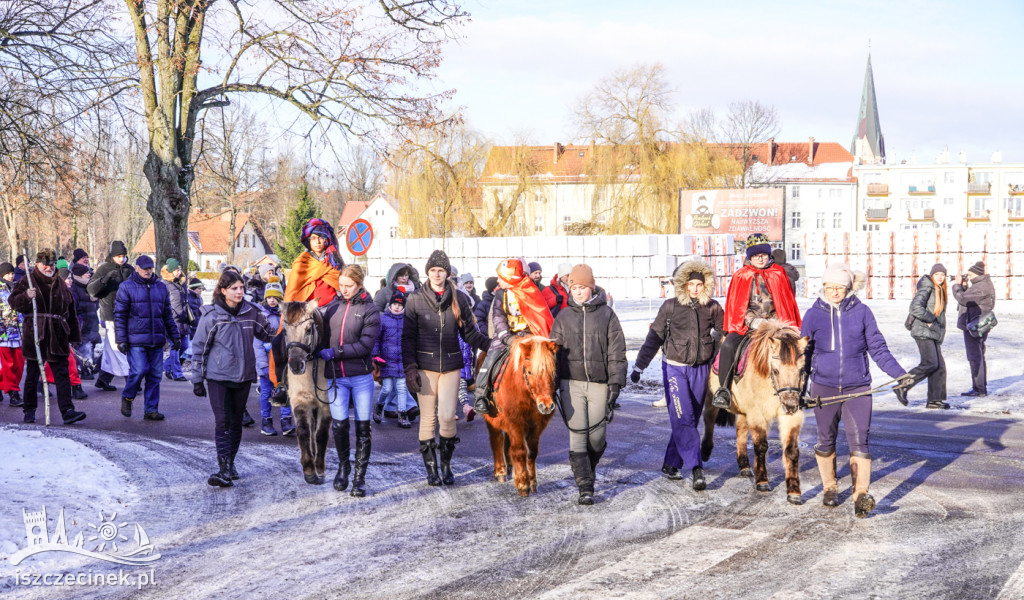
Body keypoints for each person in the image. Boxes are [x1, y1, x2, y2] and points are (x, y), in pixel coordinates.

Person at [801, 264, 912, 517]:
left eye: (839, 287)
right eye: (830, 287)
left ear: (848, 287)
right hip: (823, 387)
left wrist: (899, 374)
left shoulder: (862, 312)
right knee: (825, 439)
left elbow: (878, 348)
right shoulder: (812, 315)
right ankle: (830, 487)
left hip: (858, 387)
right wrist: (800, 390)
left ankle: (860, 495)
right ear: (824, 287)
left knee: (860, 440)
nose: (834, 292)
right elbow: (803, 356)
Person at [631, 259, 724, 491]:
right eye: (690, 284)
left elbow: (724, 336)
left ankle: (671, 464)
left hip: (701, 368)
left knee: (689, 418)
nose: (694, 289)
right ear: (682, 285)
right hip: (674, 367)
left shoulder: (713, 308)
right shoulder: (670, 307)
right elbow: (654, 338)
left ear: (706, 286)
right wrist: (639, 366)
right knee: (683, 418)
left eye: (699, 285)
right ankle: (696, 468)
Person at [402, 249, 491, 486]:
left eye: (441, 270)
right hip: (424, 366)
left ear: (447, 272)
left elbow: (470, 333)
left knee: (448, 418)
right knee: (428, 419)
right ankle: (431, 471)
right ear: (427, 272)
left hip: (451, 365)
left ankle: (446, 466)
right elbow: (408, 337)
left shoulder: (459, 298)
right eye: (433, 270)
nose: (437, 274)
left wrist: (492, 345)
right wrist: (410, 368)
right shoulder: (415, 299)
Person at [549, 264, 627, 505]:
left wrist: (616, 383)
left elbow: (617, 352)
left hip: (599, 383)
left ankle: (589, 469)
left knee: (597, 437)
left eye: (582, 287)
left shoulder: (607, 316)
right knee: (578, 435)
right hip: (570, 383)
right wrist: (551, 384)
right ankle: (585, 486)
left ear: (591, 288)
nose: (578, 292)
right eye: (574, 287)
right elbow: (553, 354)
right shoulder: (562, 317)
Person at [190, 270, 274, 487]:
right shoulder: (212, 316)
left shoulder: (251, 312)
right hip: (218, 376)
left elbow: (270, 334)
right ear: (223, 290)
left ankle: (230, 464)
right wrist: (197, 379)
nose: (239, 292)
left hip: (244, 376)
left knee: (236, 422)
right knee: (222, 421)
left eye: (241, 288)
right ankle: (224, 469)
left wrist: (285, 319)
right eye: (234, 288)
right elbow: (200, 348)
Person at [711, 233, 802, 409]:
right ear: (749, 257)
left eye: (763, 255)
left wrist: (774, 322)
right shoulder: (741, 276)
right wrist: (753, 322)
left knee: (796, 349)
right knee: (729, 345)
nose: (760, 259)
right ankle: (724, 389)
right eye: (755, 255)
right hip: (748, 326)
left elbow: (785, 303)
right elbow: (736, 306)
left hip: (776, 325)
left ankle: (799, 390)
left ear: (769, 255)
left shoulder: (779, 273)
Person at [317, 265, 381, 496]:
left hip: (361, 377)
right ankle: (344, 467)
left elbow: (365, 345)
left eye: (348, 285)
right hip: (336, 377)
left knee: (363, 428)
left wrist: (335, 353)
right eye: (341, 285)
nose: (343, 289)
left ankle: (359, 478)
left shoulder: (371, 310)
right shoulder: (332, 307)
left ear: (359, 284)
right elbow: (322, 338)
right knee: (339, 424)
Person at [7, 249, 86, 425]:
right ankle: (29, 410)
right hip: (36, 334)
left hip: (58, 335)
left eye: (51, 264)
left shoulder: (60, 283)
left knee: (62, 374)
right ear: (37, 264)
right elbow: (13, 302)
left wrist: (74, 336)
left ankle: (68, 411)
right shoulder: (28, 280)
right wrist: (26, 296)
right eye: (45, 264)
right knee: (33, 375)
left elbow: (70, 312)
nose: (49, 267)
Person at [269, 218, 343, 403]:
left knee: (344, 336)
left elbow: (343, 284)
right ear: (308, 241)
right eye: (313, 238)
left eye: (321, 238)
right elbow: (293, 291)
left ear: (327, 239)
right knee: (279, 342)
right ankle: (281, 385)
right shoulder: (301, 262)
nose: (317, 242)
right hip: (304, 310)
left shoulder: (335, 260)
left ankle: (342, 381)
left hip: (331, 307)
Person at [474, 258, 554, 414]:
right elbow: (498, 317)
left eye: (501, 278)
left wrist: (528, 337)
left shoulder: (530, 291)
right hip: (504, 337)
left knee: (546, 358)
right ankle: (481, 394)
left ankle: (549, 392)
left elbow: (537, 316)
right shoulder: (500, 294)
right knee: (490, 359)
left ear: (509, 279)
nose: (498, 280)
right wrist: (507, 337)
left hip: (528, 336)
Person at [113, 255, 181, 421]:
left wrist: (175, 336)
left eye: (150, 268)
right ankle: (128, 397)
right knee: (139, 370)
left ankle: (151, 409)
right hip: (135, 339)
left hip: (156, 339)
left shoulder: (160, 287)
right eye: (144, 268)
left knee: (156, 375)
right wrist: (121, 339)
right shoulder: (126, 287)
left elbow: (167, 315)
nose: (148, 271)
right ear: (136, 268)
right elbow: (119, 315)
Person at [87, 241, 135, 392]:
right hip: (110, 315)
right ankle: (131, 380)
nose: (121, 259)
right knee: (119, 347)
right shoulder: (103, 269)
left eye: (123, 256)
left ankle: (103, 379)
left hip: (128, 313)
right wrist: (105, 279)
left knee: (111, 348)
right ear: (112, 256)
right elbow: (91, 290)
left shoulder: (129, 269)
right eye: (118, 256)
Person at [902, 264, 950, 409]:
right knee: (930, 363)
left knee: (939, 367)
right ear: (932, 275)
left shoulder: (940, 290)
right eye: (937, 274)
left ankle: (934, 400)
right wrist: (930, 319)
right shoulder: (927, 287)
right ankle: (902, 386)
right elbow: (915, 307)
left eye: (943, 275)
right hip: (923, 330)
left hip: (932, 332)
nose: (940, 277)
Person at [255, 279, 294, 436]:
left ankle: (286, 420)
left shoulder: (286, 315)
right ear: (266, 297)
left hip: (282, 363)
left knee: (285, 391)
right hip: (266, 362)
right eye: (269, 297)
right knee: (266, 392)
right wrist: (263, 365)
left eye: (276, 297)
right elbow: (257, 343)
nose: (272, 300)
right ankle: (266, 421)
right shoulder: (260, 316)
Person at [952, 261, 995, 397]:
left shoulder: (981, 286)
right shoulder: (980, 285)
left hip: (975, 325)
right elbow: (970, 299)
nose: (968, 277)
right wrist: (964, 287)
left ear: (976, 274)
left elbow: (963, 299)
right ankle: (979, 387)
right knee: (978, 355)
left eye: (969, 275)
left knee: (975, 357)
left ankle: (979, 389)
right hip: (976, 323)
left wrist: (957, 285)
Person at [373, 290, 414, 428]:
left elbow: (410, 340)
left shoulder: (406, 321)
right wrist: (376, 355)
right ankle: (379, 406)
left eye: (400, 305)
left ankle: (402, 414)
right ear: (390, 305)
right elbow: (376, 339)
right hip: (387, 361)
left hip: (402, 361)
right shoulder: (383, 319)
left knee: (402, 389)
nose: (397, 307)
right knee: (387, 389)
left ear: (403, 307)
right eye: (394, 304)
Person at [160, 259, 190, 382]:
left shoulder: (181, 283)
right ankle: (177, 373)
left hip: (183, 320)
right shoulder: (164, 284)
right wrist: (173, 315)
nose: (179, 272)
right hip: (172, 321)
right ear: (170, 271)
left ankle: (166, 367)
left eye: (179, 269)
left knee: (184, 346)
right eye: (176, 270)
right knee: (175, 347)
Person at [70, 263, 100, 381]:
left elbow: (96, 303)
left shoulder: (89, 286)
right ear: (79, 275)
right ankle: (85, 369)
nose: (89, 274)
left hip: (91, 321)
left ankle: (87, 368)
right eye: (86, 273)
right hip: (81, 322)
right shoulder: (74, 289)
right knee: (84, 347)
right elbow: (75, 307)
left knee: (89, 346)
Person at [0, 261, 24, 406]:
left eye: (12, 273)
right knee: (8, 364)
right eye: (8, 273)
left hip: (18, 332)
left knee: (19, 364)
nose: (11, 276)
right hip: (3, 334)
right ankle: (13, 392)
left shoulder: (17, 288)